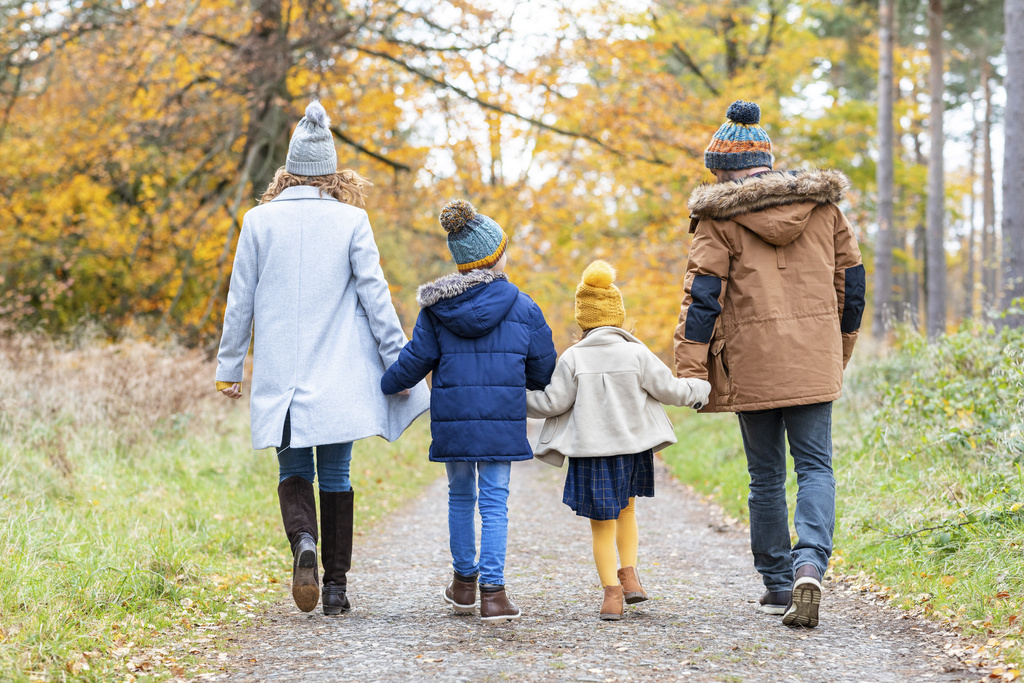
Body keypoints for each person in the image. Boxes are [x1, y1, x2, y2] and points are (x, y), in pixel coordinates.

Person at [215, 101, 429, 616]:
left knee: (292, 469)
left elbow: (239, 300)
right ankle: (335, 587)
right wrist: (399, 365)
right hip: (337, 376)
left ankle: (303, 544)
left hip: (282, 378)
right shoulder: (353, 221)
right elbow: (378, 299)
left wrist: (228, 369)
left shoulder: (258, 221)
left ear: (288, 170)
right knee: (337, 474)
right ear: (332, 173)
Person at [673, 100, 865, 628]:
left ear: (725, 171)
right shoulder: (826, 210)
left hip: (750, 364)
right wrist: (837, 349)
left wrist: (690, 371)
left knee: (765, 476)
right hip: (814, 356)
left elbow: (702, 301)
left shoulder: (718, 220)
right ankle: (810, 564)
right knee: (815, 468)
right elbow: (853, 289)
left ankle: (779, 582)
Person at [380, 199, 556, 624]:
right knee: (495, 504)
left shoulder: (436, 311)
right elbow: (544, 370)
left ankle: (463, 586)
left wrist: (388, 385)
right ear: (497, 256)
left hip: (454, 424)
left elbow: (412, 363)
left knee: (461, 498)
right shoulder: (524, 307)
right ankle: (493, 596)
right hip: (500, 422)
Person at [526, 260, 711, 621]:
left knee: (601, 523)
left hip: (591, 454)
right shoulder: (637, 353)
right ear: (618, 315)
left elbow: (552, 403)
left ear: (583, 319)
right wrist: (699, 389)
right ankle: (631, 577)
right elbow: (671, 389)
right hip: (632, 450)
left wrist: (512, 399)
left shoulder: (573, 358)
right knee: (628, 511)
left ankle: (612, 594)